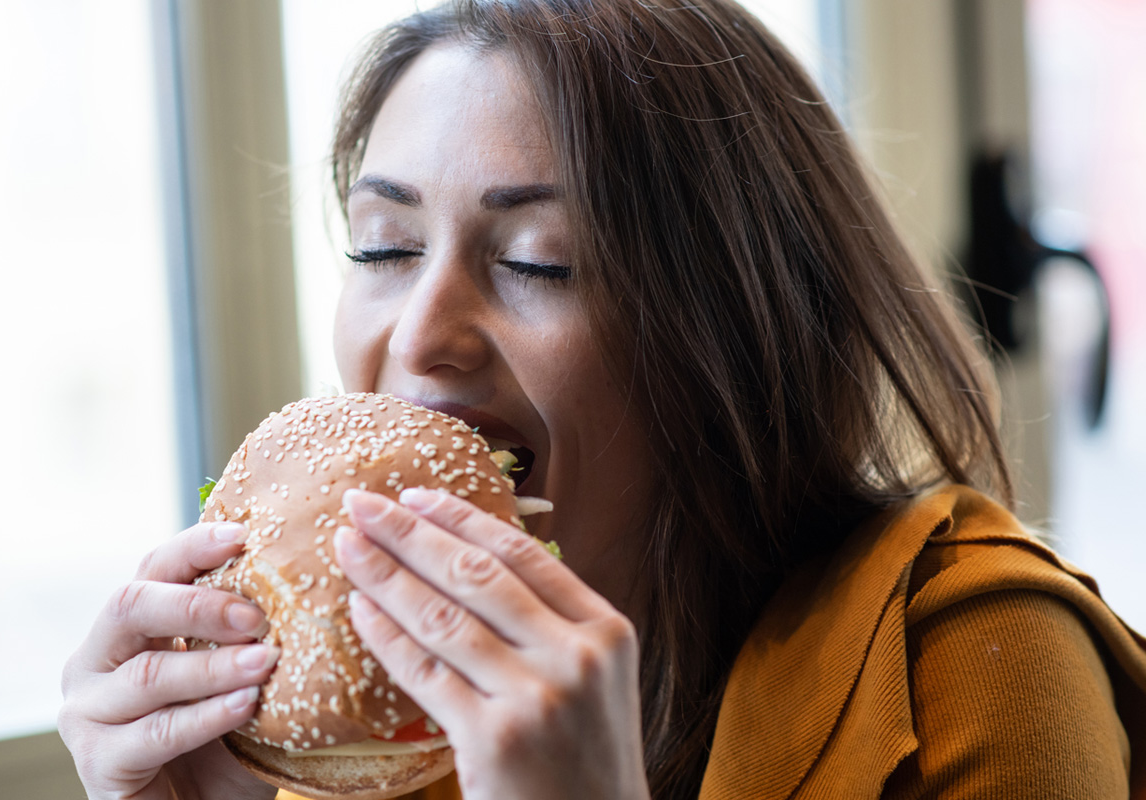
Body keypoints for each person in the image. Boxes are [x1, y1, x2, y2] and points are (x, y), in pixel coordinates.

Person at [58, 0, 1146, 798]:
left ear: (731, 326)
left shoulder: (976, 655)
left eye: (538, 262)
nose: (422, 335)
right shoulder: (374, 726)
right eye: (384, 246)